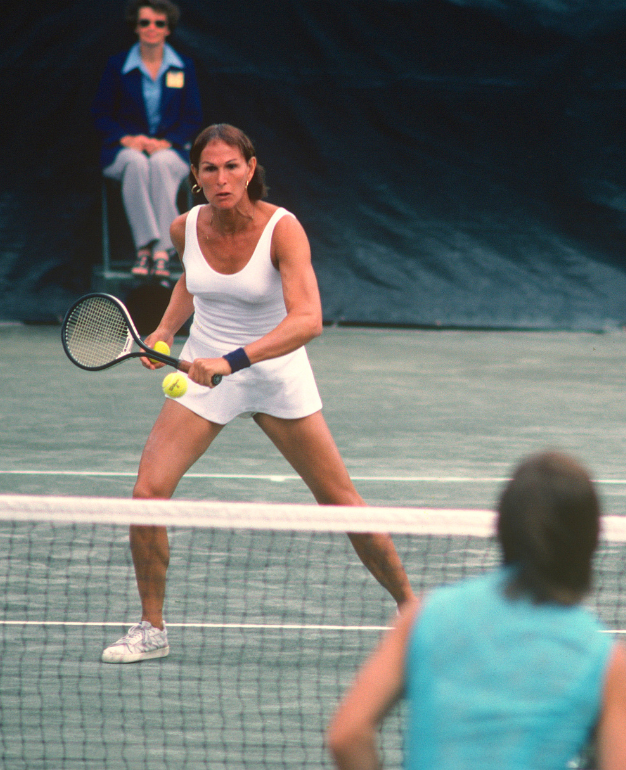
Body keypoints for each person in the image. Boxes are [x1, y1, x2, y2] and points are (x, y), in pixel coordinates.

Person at [100, 123, 415, 664]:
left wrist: (232, 360)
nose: (221, 179)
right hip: (204, 371)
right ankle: (151, 628)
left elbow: (308, 321)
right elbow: (189, 282)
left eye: (231, 167)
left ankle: (412, 610)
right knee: (147, 494)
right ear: (195, 177)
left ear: (250, 168)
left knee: (339, 501)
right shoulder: (185, 228)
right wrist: (164, 331)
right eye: (208, 169)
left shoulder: (283, 231)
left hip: (274, 372)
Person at [328, 451, 626, 770]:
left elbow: (346, 736)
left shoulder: (425, 616)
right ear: (590, 541)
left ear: (503, 528)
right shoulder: (606, 660)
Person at [91, 0, 203, 279]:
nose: (151, 28)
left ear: (168, 29)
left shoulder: (182, 67)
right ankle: (150, 248)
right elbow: (100, 114)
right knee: (137, 163)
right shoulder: (118, 65)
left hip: (171, 151)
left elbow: (192, 117)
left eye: (159, 23)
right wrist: (126, 138)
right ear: (136, 27)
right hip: (124, 152)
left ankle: (158, 252)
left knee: (161, 164)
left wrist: (168, 142)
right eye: (145, 23)